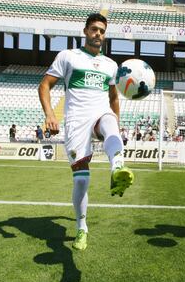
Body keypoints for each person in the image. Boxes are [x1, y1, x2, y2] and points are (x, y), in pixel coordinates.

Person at [38, 13, 134, 251]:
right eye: (94, 29)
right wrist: (50, 114)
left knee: (110, 124)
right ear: (85, 31)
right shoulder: (68, 56)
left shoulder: (111, 65)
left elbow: (113, 97)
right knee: (82, 181)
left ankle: (117, 169)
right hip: (76, 121)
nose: (98, 34)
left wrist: (116, 121)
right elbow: (45, 85)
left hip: (100, 114)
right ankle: (82, 228)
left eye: (102, 30)